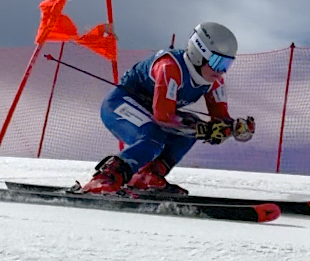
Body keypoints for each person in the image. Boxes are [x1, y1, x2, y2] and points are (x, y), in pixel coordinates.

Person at [80, 22, 255, 195]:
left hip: (149, 111)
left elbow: (220, 119)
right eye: (217, 62)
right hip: (120, 104)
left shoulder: (214, 82)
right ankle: (106, 178)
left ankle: (147, 177)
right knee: (153, 136)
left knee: (191, 127)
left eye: (227, 64)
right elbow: (163, 116)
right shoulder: (170, 67)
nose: (221, 71)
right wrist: (203, 129)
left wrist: (236, 129)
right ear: (198, 54)